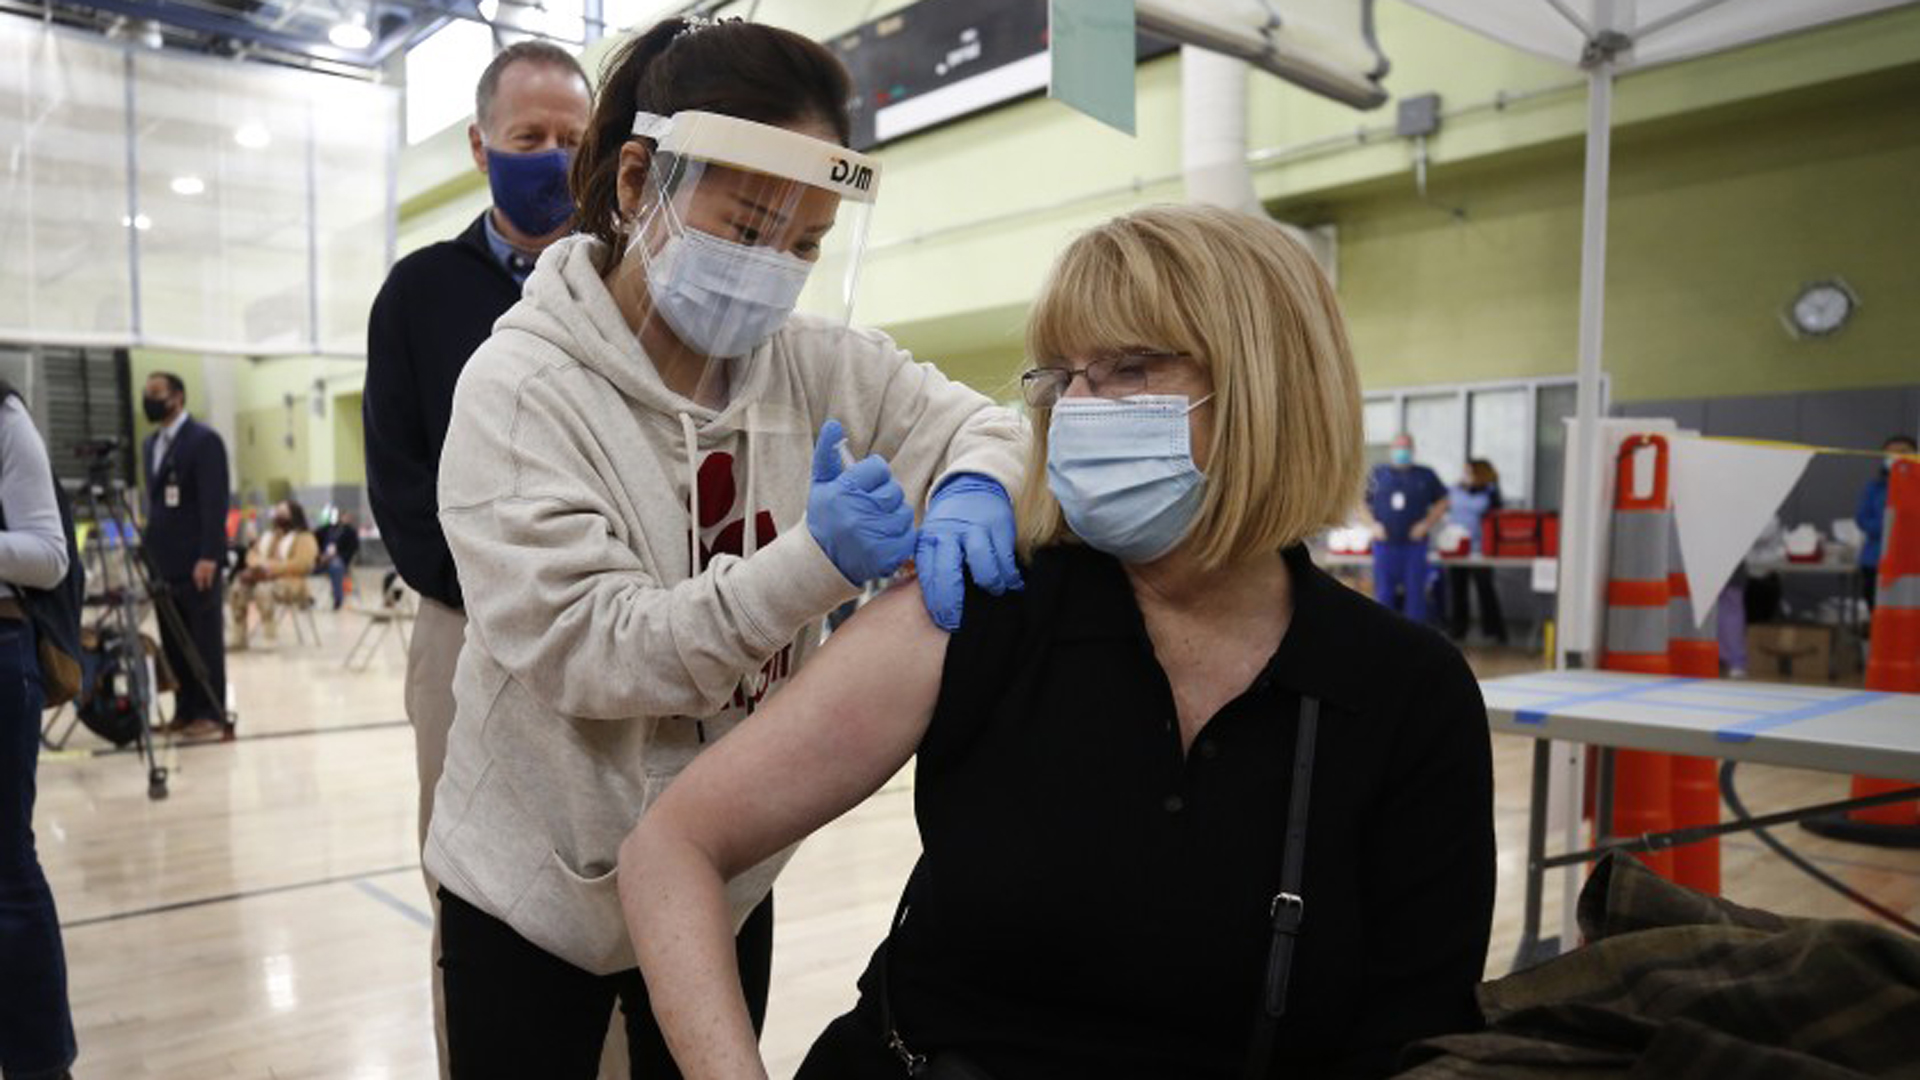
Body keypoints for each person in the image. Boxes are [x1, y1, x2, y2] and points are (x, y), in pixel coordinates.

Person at [620, 205, 1496, 1080]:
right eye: (1061, 378)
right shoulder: (987, 608)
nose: (1077, 409)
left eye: (1128, 369)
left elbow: (1415, 1039)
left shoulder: (1403, 693)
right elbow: (675, 846)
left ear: (1265, 385)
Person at [426, 17, 1027, 1078]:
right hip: (533, 889)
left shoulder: (812, 365)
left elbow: (991, 425)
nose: (771, 271)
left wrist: (979, 482)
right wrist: (815, 565)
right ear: (638, 181)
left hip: (723, 871)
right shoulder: (520, 391)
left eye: (803, 246)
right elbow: (591, 649)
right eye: (745, 227)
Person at [362, 39, 593, 1077]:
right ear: (479, 145)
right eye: (528, 138)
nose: (551, 157)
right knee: (473, 880)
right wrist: (501, 588)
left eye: (573, 140)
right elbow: (400, 484)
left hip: (614, 624)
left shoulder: (631, 283)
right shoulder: (418, 295)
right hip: (465, 631)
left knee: (626, 875)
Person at [0, 389, 77, 1080]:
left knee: (4, 864)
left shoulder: (5, 418)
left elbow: (50, 554)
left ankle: (40, 1066)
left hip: (2, 651)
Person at [140, 373, 231, 740]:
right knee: (173, 641)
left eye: (156, 394)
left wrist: (209, 554)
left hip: (197, 561)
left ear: (177, 397)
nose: (149, 399)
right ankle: (184, 709)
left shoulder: (204, 441)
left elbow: (215, 503)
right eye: (146, 394)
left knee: (202, 639)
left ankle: (210, 710)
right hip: (164, 561)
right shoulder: (151, 445)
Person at [1362, 433, 1449, 623]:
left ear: (1412, 450)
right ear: (1391, 450)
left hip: (1414, 546)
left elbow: (1443, 501)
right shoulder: (1378, 474)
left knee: (1416, 594)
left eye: (1406, 447)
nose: (1402, 451)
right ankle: (1386, 641)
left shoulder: (1426, 475)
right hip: (1384, 545)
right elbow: (1358, 503)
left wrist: (1426, 524)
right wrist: (1372, 525)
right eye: (1398, 447)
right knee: (1384, 595)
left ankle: (1415, 642)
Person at [229, 500, 319, 647]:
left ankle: (270, 636)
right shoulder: (268, 536)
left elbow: (303, 564)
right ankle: (239, 637)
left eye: (283, 513)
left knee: (263, 590)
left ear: (294, 515)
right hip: (262, 579)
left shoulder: (305, 537)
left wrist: (271, 568)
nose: (278, 516)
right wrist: (258, 568)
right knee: (238, 588)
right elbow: (251, 555)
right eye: (277, 512)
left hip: (292, 583)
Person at [1445, 458, 1507, 644]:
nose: (1465, 475)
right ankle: (1458, 631)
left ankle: (1495, 632)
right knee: (1458, 591)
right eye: (1464, 471)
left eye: (1469, 472)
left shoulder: (1491, 492)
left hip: (1480, 550)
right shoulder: (1454, 490)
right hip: (1456, 547)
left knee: (1485, 590)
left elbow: (1497, 517)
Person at [1857, 434, 1916, 614]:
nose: (1897, 457)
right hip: (1876, 561)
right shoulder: (1874, 487)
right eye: (1891, 453)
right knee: (1879, 611)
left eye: (1903, 452)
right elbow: (1863, 520)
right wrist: (1892, 526)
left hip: (1912, 565)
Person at [313, 510, 361, 610]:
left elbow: (353, 549)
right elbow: (314, 535)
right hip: (322, 558)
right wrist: (319, 555)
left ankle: (338, 599)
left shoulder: (350, 532)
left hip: (339, 559)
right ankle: (306, 598)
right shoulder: (329, 529)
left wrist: (336, 555)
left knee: (336, 567)